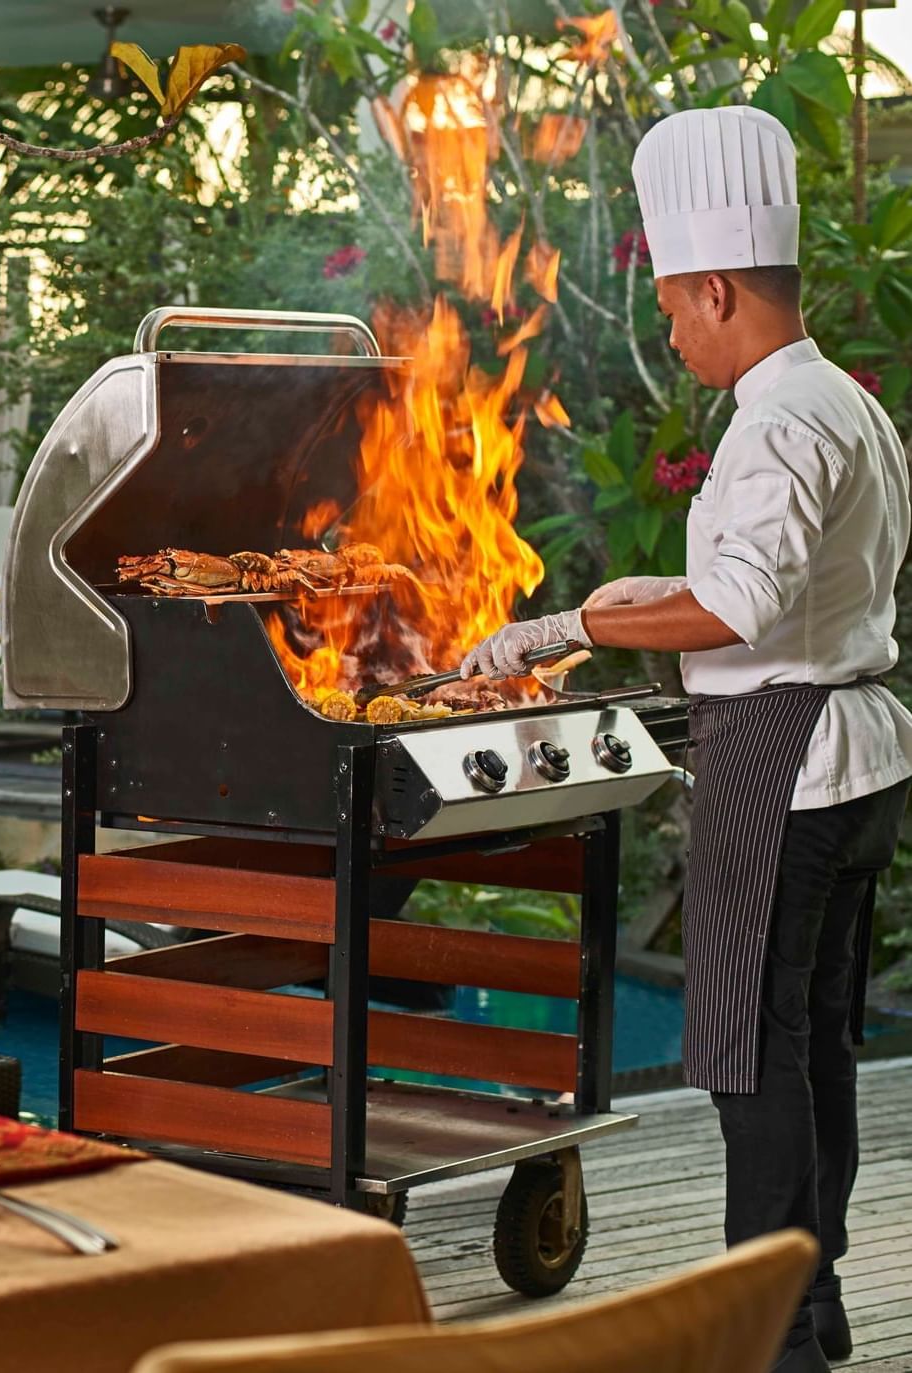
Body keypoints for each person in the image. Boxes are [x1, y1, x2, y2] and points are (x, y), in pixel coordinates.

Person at [461, 106, 912, 1373]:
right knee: (813, 1041)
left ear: (717, 289)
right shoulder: (847, 402)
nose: (665, 327)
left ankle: (761, 1336)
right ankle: (808, 1309)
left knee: (742, 1052)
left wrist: (569, 623)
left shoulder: (774, 419)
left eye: (670, 304)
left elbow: (741, 603)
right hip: (857, 752)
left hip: (787, 755)